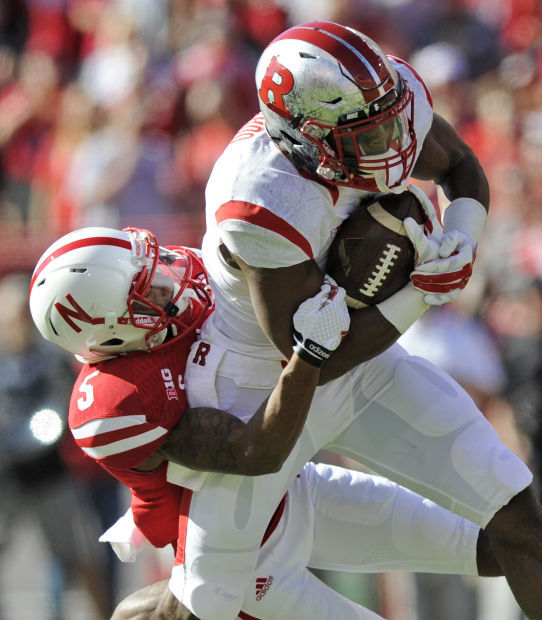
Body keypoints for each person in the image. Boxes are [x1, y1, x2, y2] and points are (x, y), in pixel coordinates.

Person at [155, 20, 541, 620]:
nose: (392, 141)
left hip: (364, 361)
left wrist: (462, 240)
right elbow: (310, 356)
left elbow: (460, 165)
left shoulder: (385, 103)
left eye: (389, 118)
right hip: (258, 384)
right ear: (302, 137)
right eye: (367, 133)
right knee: (201, 601)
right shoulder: (262, 196)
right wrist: (418, 293)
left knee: (516, 516)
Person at [29, 225, 505, 620]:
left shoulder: (183, 279)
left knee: (491, 543)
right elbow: (255, 452)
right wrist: (313, 351)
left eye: (153, 265)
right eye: (148, 294)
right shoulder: (120, 398)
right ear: (111, 337)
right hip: (241, 554)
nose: (171, 280)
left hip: (296, 491)